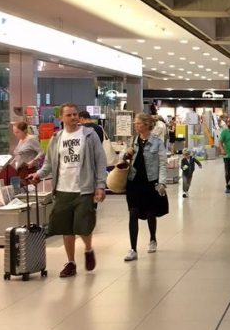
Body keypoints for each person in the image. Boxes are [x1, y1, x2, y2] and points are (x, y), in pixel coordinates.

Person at [28, 103, 107, 278]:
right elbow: (49, 164)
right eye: (69, 115)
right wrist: (39, 174)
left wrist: (100, 185)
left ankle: (88, 248)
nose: (73, 117)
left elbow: (100, 160)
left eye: (75, 114)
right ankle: (71, 262)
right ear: (61, 118)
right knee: (66, 228)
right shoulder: (57, 138)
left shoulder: (89, 135)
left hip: (84, 189)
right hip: (62, 189)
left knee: (83, 226)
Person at [122, 113, 169, 262]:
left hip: (150, 182)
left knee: (150, 213)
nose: (136, 126)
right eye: (135, 124)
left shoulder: (157, 142)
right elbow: (122, 158)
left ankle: (153, 238)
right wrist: (125, 154)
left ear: (147, 125)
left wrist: (161, 183)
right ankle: (133, 249)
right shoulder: (132, 141)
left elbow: (162, 163)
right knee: (133, 213)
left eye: (139, 124)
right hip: (134, 182)